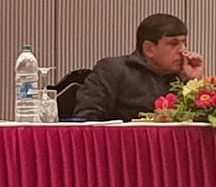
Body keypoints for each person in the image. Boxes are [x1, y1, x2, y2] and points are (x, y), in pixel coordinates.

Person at [73, 13, 204, 121]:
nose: (183, 51)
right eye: (173, 44)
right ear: (149, 49)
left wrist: (194, 81)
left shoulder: (181, 78)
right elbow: (87, 118)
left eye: (184, 43)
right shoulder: (113, 70)